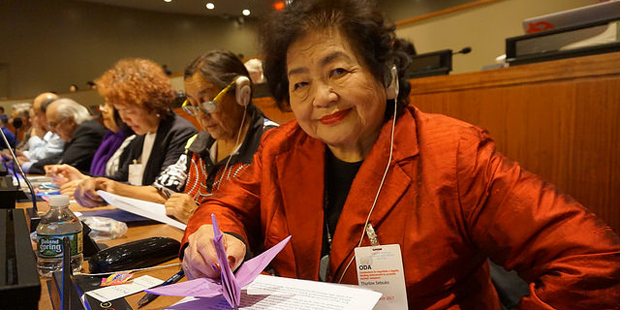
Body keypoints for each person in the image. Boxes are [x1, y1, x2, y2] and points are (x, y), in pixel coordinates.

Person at [181, 0, 620, 309]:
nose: (322, 97)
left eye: (337, 71)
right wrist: (212, 237)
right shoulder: (282, 149)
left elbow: (591, 261)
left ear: (384, 75)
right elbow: (224, 206)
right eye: (300, 83)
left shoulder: (454, 154)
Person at [72, 50, 275, 224]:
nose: (202, 116)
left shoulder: (272, 143)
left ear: (242, 93)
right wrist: (107, 186)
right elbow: (163, 192)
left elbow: (275, 227)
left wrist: (198, 215)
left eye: (207, 102)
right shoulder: (200, 143)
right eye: (192, 105)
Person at [63, 58, 197, 206]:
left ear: (152, 104)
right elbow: (122, 178)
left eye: (129, 111)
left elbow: (164, 192)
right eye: (119, 111)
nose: (124, 118)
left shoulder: (180, 132)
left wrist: (107, 187)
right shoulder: (140, 135)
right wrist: (87, 181)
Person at [50, 101, 136, 197]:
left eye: (110, 105)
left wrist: (91, 183)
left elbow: (134, 184)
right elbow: (120, 177)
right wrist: (84, 178)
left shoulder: (133, 138)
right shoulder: (111, 137)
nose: (103, 109)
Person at [27, 98, 106, 174]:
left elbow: (65, 162)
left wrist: (27, 166)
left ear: (71, 121)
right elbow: (62, 157)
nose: (52, 131)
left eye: (54, 125)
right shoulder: (78, 132)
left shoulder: (88, 131)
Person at [14, 92, 65, 173]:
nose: (33, 120)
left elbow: (43, 157)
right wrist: (24, 156)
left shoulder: (60, 131)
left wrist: (34, 137)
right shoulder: (49, 132)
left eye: (37, 114)